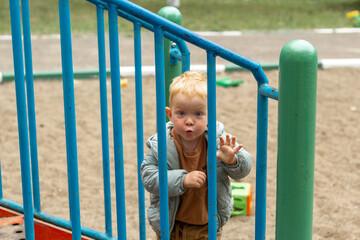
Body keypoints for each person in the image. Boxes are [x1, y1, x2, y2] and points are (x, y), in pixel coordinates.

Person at [140, 71, 252, 240]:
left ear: (210, 115)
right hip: (170, 225)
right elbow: (148, 178)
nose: (189, 121)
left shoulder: (218, 140)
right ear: (170, 114)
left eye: (198, 114)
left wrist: (233, 161)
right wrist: (183, 180)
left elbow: (244, 169)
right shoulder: (161, 144)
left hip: (207, 226)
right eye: (181, 113)